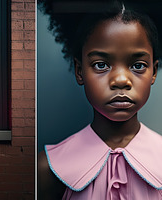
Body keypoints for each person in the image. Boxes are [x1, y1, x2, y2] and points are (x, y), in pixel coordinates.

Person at [38, 1, 162, 199]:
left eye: (138, 65)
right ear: (80, 71)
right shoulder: (48, 169)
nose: (121, 80)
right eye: (101, 65)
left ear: (154, 71)